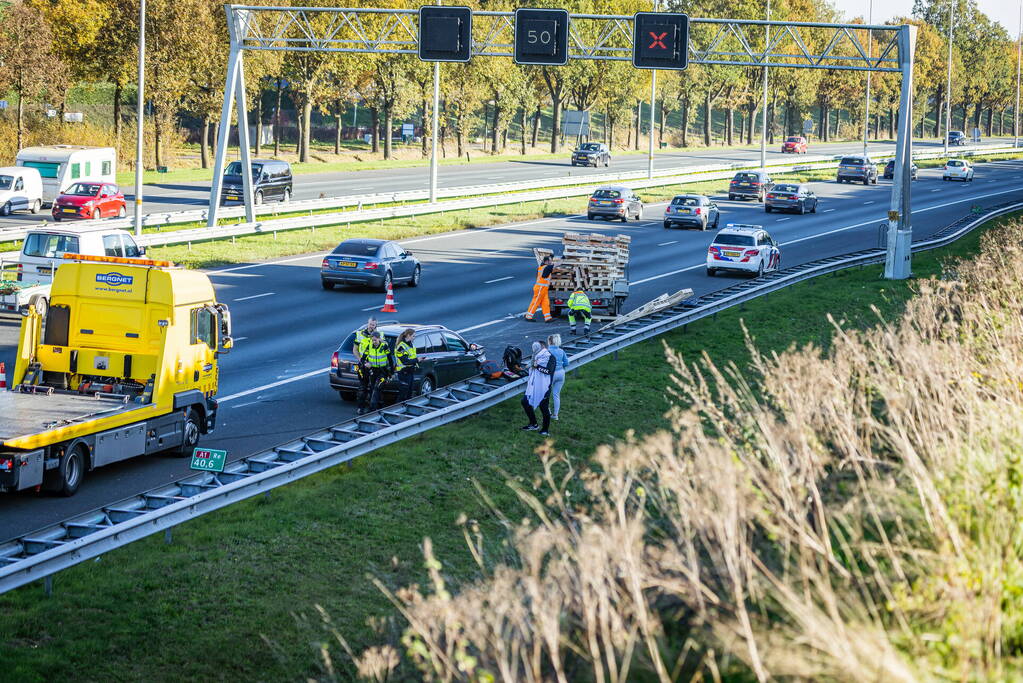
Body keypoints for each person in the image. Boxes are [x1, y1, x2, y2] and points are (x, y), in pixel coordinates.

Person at [521, 341, 555, 435]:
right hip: (533, 386)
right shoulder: (536, 357)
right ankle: (533, 424)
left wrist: (537, 366)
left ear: (542, 347)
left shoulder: (550, 357)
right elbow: (531, 367)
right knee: (525, 402)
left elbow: (549, 371)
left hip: (544, 387)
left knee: (544, 407)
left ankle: (545, 430)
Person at [357, 330, 392, 414]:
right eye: (372, 340)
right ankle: (380, 407)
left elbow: (390, 359)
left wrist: (391, 373)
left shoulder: (384, 346)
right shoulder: (369, 346)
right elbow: (362, 359)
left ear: (379, 339)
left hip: (383, 371)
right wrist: (366, 363)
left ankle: (372, 410)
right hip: (373, 371)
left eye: (375, 340)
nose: (374, 342)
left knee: (377, 388)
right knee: (373, 389)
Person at [546, 334, 569, 421]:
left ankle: (548, 412)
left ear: (549, 341)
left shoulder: (547, 351)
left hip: (551, 374)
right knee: (556, 394)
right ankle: (555, 415)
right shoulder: (561, 351)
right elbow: (566, 363)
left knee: (546, 394)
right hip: (561, 373)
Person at [525, 256, 554, 323]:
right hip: (540, 288)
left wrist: (552, 256)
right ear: (546, 261)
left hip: (544, 288)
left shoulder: (542, 267)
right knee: (535, 302)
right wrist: (562, 259)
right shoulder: (546, 267)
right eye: (550, 260)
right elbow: (554, 265)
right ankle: (528, 316)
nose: (551, 262)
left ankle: (547, 318)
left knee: (545, 303)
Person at [393, 328, 418, 401]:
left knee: (409, 393)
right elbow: (405, 361)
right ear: (408, 336)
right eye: (413, 336)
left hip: (410, 372)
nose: (414, 338)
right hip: (403, 372)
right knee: (403, 394)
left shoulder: (411, 345)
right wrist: (417, 360)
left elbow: (411, 357)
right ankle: (397, 410)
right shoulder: (401, 347)